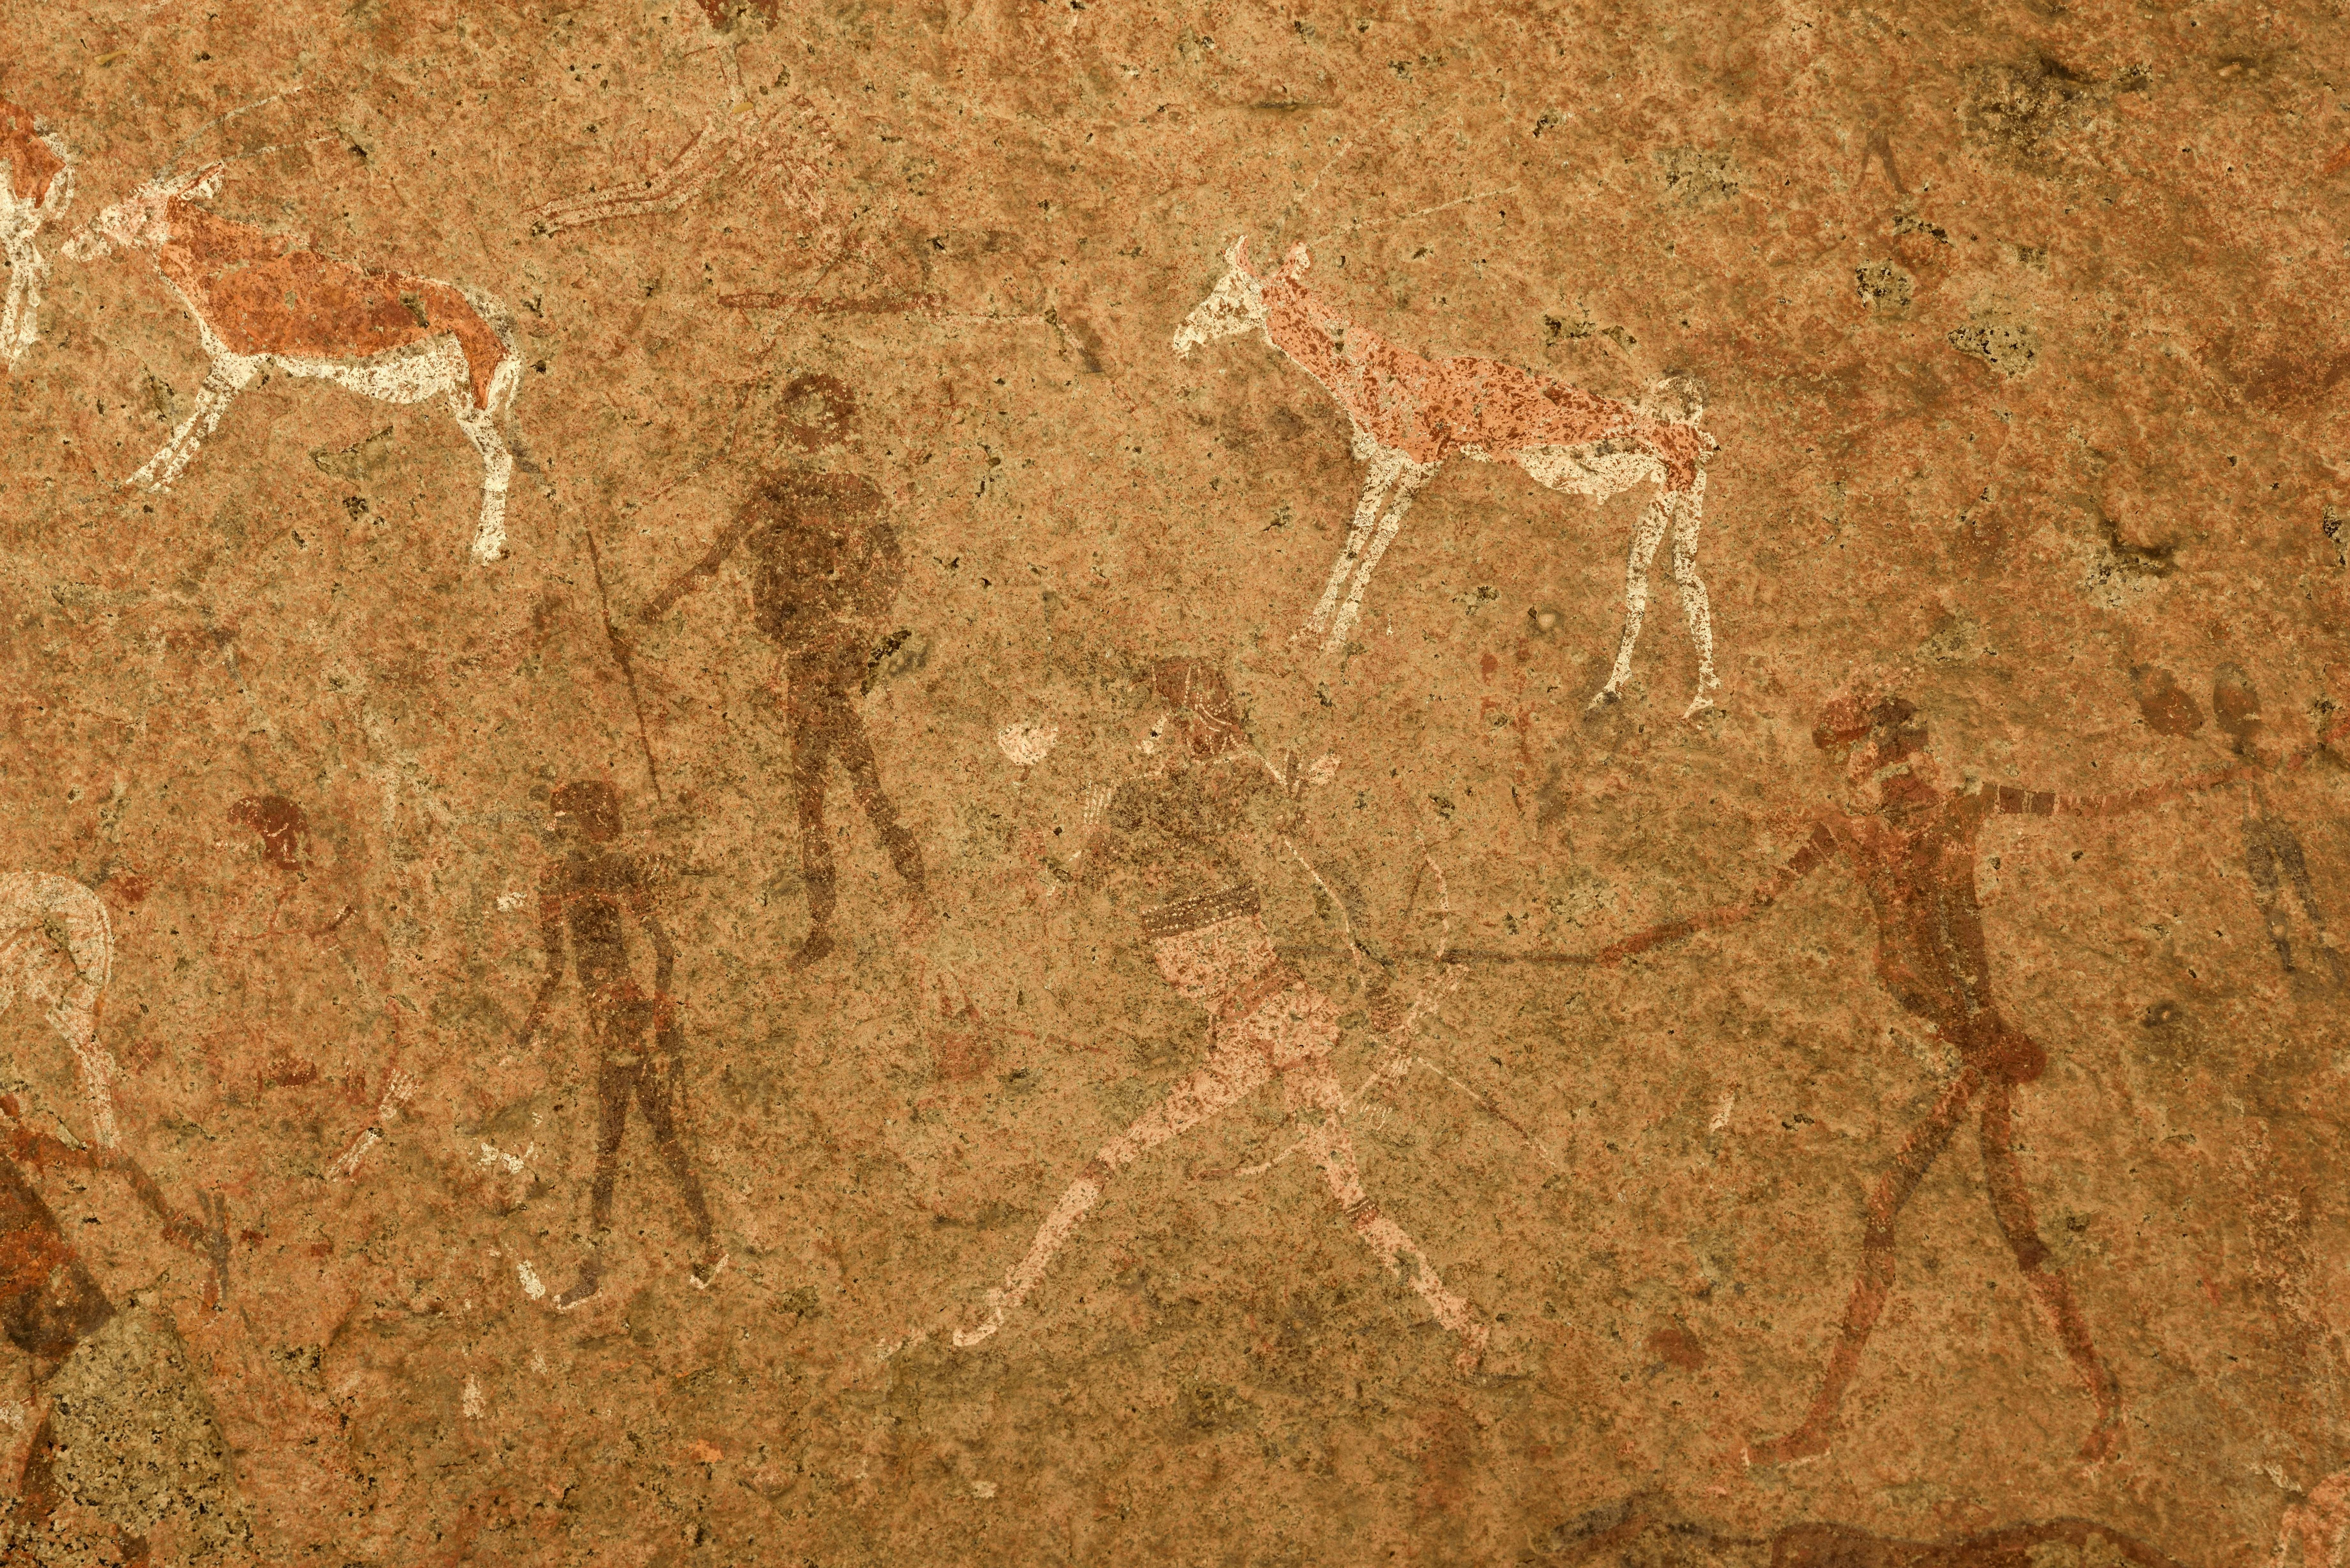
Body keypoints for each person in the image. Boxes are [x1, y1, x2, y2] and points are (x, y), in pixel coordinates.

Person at [1599, 691, 2260, 1464]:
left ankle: (1832, 1425)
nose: (1891, 774)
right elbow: (1750, 907)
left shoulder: (1964, 810)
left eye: (1898, 755)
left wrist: (2230, 774)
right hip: (1973, 1047)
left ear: (1916, 755)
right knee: (2008, 1230)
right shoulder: (1852, 833)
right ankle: (2098, 1399)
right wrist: (1639, 941)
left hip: (1983, 1046)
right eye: (1875, 760)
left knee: (1917, 1215)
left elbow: (2099, 804)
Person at [953, 659, 1489, 1368]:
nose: (1144, 735)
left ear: (1177, 729)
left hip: (1251, 1008)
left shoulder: (1155, 799)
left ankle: (1009, 1294)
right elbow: (1312, 864)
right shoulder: (1187, 793)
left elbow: (1083, 889)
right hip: (1261, 999)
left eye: (1156, 723)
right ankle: (1457, 1316)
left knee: (1121, 1156)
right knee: (1351, 1197)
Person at [641, 461, 927, 968]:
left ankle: (867, 897)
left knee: (824, 791)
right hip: (817, 660)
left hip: (827, 658)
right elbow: (717, 561)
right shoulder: (795, 505)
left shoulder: (835, 508)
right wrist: (659, 604)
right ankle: (899, 874)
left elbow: (881, 574)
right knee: (839, 783)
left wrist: (659, 605)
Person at [519, 780, 721, 1307]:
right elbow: (556, 969)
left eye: (567, 822)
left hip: (622, 1025)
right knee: (658, 1138)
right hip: (611, 1021)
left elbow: (665, 951)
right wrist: (528, 1029)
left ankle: (595, 1269)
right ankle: (705, 1241)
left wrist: (662, 1023)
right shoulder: (557, 876)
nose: (560, 831)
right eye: (558, 823)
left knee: (615, 1149)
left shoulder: (598, 871)